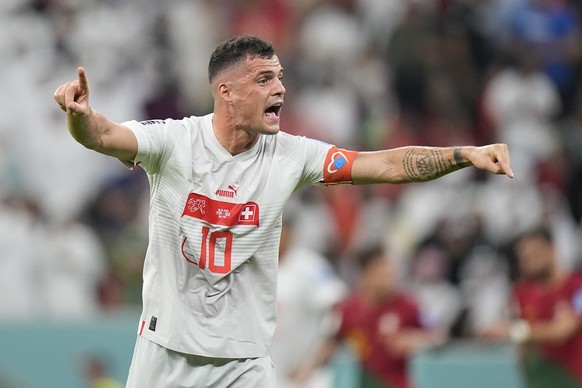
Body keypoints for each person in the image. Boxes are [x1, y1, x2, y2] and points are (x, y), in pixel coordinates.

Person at [53, 34, 513, 387]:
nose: (281, 88)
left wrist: (463, 154)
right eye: (264, 79)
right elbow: (104, 135)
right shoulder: (174, 142)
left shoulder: (292, 155)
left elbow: (385, 164)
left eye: (280, 77)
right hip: (165, 352)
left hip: (244, 362)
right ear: (226, 91)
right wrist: (78, 114)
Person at [293, 245, 445, 388]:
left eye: (390, 273)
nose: (389, 279)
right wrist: (308, 368)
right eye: (382, 274)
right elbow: (332, 343)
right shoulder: (349, 309)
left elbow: (439, 337)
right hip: (367, 382)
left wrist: (415, 340)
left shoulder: (407, 305)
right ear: (366, 274)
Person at [481, 227, 582, 387]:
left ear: (551, 249)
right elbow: (524, 346)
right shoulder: (522, 293)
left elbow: (562, 331)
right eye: (524, 258)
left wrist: (512, 331)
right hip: (540, 379)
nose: (529, 262)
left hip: (572, 377)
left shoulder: (577, 287)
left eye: (534, 255)